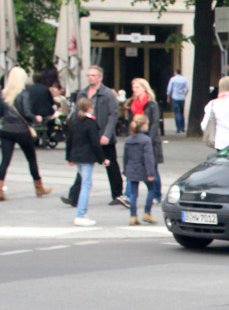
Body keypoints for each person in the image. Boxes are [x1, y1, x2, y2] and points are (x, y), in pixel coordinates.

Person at [62, 66, 125, 208]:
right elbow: (78, 113)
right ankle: (74, 196)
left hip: (103, 135)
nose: (90, 77)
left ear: (100, 77)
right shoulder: (83, 93)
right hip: (87, 136)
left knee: (111, 165)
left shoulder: (107, 94)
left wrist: (107, 134)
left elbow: (113, 115)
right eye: (88, 75)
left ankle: (118, 195)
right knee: (84, 165)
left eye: (93, 75)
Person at [0, 66, 51, 200]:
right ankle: (39, 187)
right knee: (31, 158)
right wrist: (35, 118)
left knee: (5, 160)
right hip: (21, 130)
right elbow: (26, 113)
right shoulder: (23, 94)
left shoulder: (4, 94)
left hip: (6, 129)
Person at [65, 97, 107, 226]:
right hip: (87, 156)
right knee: (86, 185)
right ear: (89, 108)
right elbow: (95, 143)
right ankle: (81, 214)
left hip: (76, 156)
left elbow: (69, 139)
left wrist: (69, 156)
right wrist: (102, 159)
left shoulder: (75, 121)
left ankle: (82, 213)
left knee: (85, 183)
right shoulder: (91, 123)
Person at [129, 78, 164, 213]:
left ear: (144, 88)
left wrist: (149, 139)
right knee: (135, 167)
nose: (134, 89)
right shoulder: (134, 104)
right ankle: (129, 195)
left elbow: (155, 123)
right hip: (137, 140)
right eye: (133, 87)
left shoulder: (151, 105)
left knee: (152, 168)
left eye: (137, 87)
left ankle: (157, 195)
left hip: (150, 141)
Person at [122, 113, 159, 226]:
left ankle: (133, 216)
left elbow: (125, 157)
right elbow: (148, 158)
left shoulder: (128, 139)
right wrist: (150, 173)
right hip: (143, 168)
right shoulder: (146, 140)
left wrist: (125, 170)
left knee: (133, 193)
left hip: (131, 168)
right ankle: (147, 213)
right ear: (143, 125)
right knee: (152, 189)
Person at [166, 69, 188, 134]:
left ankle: (178, 128)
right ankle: (183, 127)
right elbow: (187, 88)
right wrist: (185, 94)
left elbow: (169, 89)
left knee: (176, 113)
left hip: (175, 97)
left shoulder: (173, 79)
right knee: (181, 112)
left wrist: (168, 97)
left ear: (175, 72)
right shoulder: (184, 79)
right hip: (182, 98)